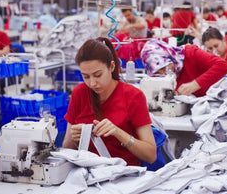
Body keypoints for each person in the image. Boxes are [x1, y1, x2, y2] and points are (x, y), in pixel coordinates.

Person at [62, 38, 157, 166]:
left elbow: (150, 155)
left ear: (111, 67)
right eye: (86, 77)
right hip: (88, 172)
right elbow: (66, 148)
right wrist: (74, 139)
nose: (92, 83)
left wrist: (118, 133)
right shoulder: (79, 93)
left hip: (124, 175)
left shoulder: (133, 96)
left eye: (97, 75)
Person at [140, 39, 227, 97]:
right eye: (158, 72)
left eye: (164, 67)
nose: (164, 73)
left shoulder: (191, 53)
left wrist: (195, 84)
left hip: (217, 97)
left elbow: (223, 66)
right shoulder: (158, 77)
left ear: (169, 56)